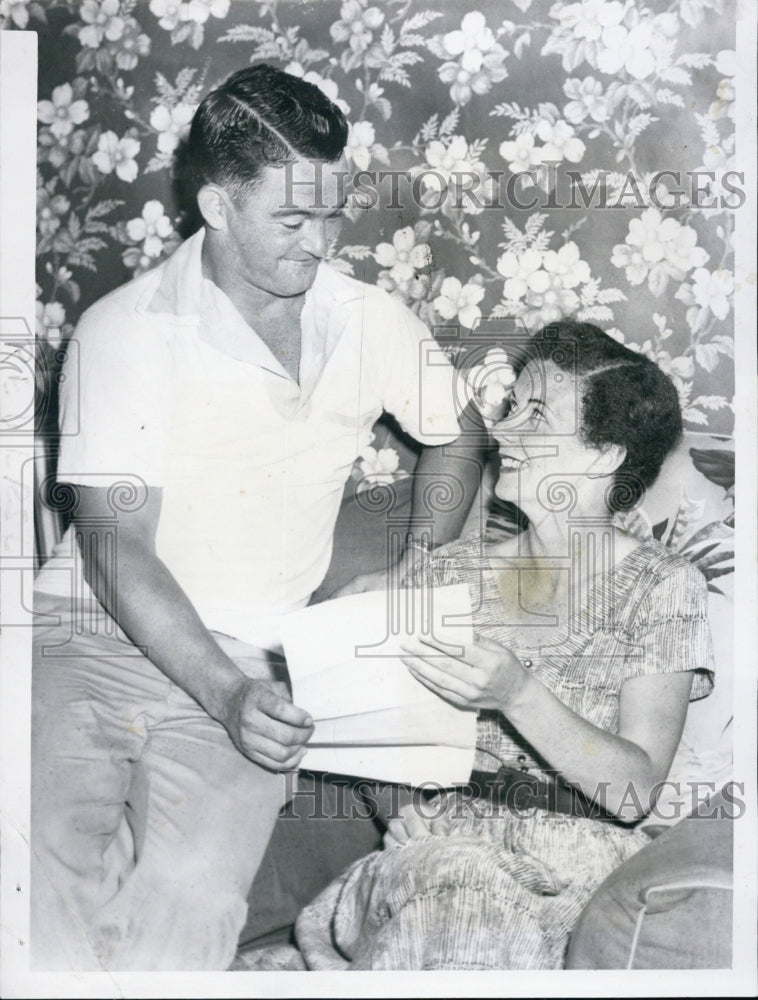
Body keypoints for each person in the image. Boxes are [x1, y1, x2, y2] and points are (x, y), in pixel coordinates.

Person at [31, 64, 483, 971]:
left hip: (256, 659)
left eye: (331, 215)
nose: (320, 245)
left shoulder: (369, 318)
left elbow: (461, 436)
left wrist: (418, 565)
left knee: (194, 904)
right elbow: (117, 547)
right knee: (38, 868)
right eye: (291, 219)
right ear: (215, 207)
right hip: (86, 633)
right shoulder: (121, 331)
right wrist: (224, 694)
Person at [293, 320, 716, 971]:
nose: (501, 433)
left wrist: (519, 694)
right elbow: (383, 734)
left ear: (604, 454)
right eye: (510, 408)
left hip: (574, 875)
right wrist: (400, 812)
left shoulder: (663, 586)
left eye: (535, 415)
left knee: (471, 904)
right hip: (435, 854)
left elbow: (634, 790)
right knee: (458, 888)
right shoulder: (447, 570)